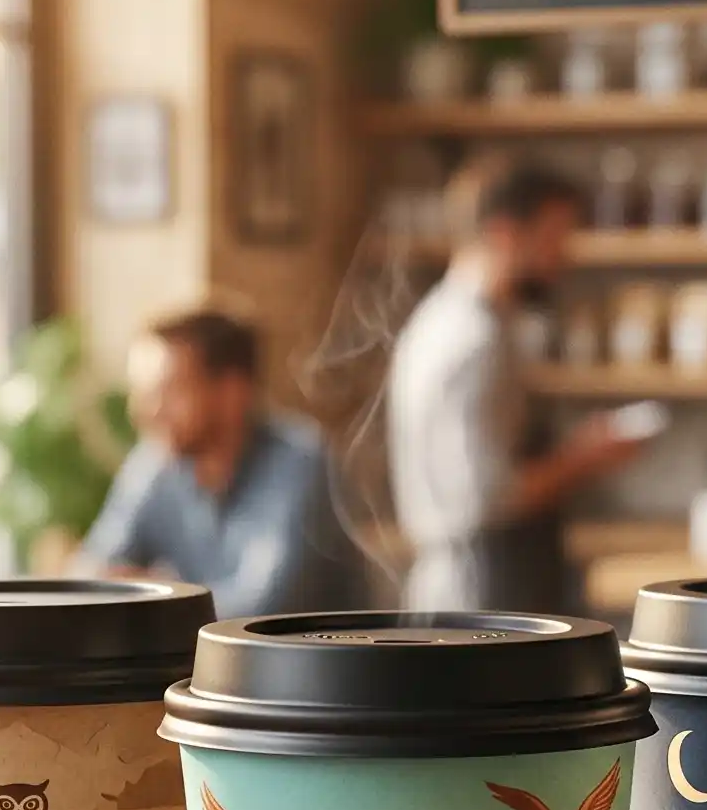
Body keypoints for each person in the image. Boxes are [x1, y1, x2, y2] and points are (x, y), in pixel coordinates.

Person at [388, 160, 645, 612]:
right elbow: (488, 495)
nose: (562, 256)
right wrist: (585, 456)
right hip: (479, 588)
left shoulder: (473, 323)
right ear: (505, 233)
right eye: (554, 238)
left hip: (493, 573)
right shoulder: (470, 339)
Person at [83, 304, 366, 616]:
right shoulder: (154, 463)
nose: (145, 411)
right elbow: (91, 577)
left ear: (233, 392)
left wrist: (154, 591)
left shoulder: (299, 465)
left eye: (168, 391)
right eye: (142, 393)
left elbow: (262, 610)